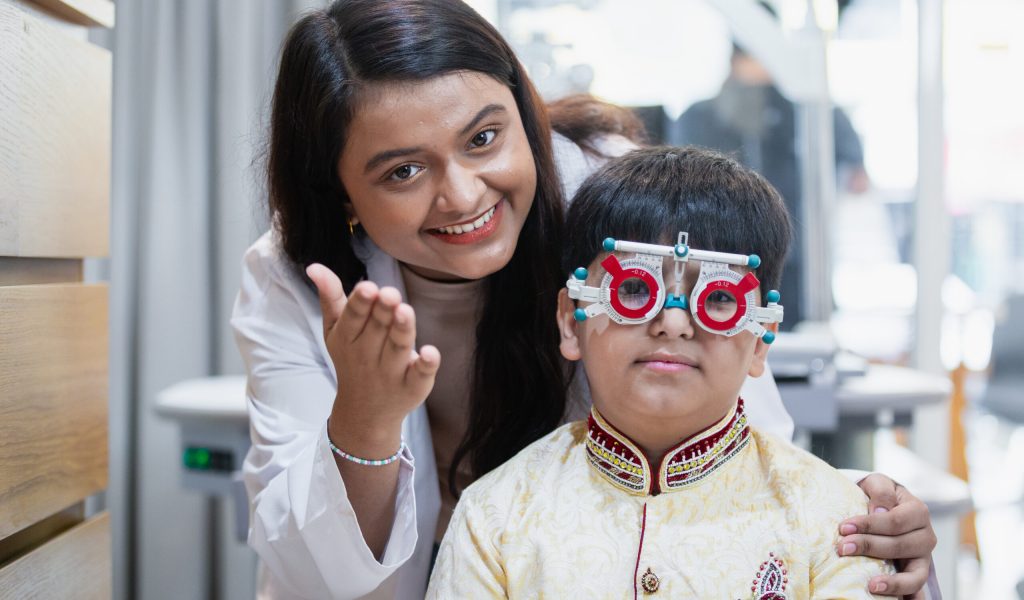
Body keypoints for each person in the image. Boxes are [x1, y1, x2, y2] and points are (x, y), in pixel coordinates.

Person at [230, 1, 936, 598]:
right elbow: (309, 565)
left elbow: (750, 453)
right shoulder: (295, 277)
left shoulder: (618, 212)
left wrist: (860, 525)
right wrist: (365, 418)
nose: (464, 195)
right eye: (404, 170)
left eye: (484, 137)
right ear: (342, 195)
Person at [427, 146, 893, 598]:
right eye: (634, 288)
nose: (672, 322)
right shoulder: (496, 515)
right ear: (572, 321)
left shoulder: (833, 518)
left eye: (718, 298)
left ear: (761, 338)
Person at [675, 34, 869, 329]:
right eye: (751, 60)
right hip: (717, 254)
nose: (757, 74)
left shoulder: (807, 113)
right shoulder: (699, 116)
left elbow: (858, 179)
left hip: (793, 261)